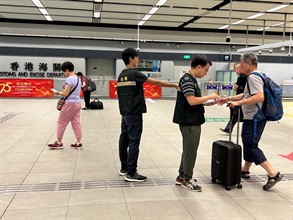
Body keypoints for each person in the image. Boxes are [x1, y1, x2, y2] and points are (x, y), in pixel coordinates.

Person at [219, 52, 283, 191]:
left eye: (242, 64)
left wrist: (239, 103)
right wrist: (229, 99)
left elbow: (259, 97)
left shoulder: (253, 77)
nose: (240, 67)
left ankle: (273, 173)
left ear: (249, 64)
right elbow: (247, 94)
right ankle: (245, 169)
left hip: (254, 117)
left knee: (250, 144)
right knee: (250, 143)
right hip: (255, 117)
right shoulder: (257, 76)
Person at [117, 47, 178, 182]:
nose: (138, 60)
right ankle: (131, 173)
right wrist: (172, 85)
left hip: (125, 112)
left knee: (124, 139)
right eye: (137, 57)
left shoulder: (121, 74)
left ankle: (124, 168)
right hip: (134, 112)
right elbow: (155, 82)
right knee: (134, 141)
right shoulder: (135, 73)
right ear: (131, 58)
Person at [173, 54, 221, 191]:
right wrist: (210, 95)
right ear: (198, 67)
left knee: (188, 150)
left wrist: (208, 102)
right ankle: (187, 180)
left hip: (190, 119)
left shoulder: (190, 79)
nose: (205, 73)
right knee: (191, 151)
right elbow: (192, 100)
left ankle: (181, 176)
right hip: (189, 122)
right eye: (205, 70)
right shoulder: (188, 79)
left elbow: (194, 102)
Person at [48, 61, 83, 150]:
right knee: (76, 122)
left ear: (67, 70)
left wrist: (57, 92)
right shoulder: (78, 78)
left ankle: (59, 142)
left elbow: (65, 93)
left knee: (61, 122)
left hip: (70, 103)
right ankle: (78, 142)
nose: (64, 73)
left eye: (64, 71)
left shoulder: (70, 79)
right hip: (78, 102)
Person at [220, 63, 247, 133]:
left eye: (238, 69)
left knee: (235, 114)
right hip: (241, 98)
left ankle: (229, 128)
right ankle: (228, 128)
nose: (236, 70)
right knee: (236, 115)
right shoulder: (247, 77)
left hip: (240, 99)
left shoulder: (241, 77)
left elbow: (235, 88)